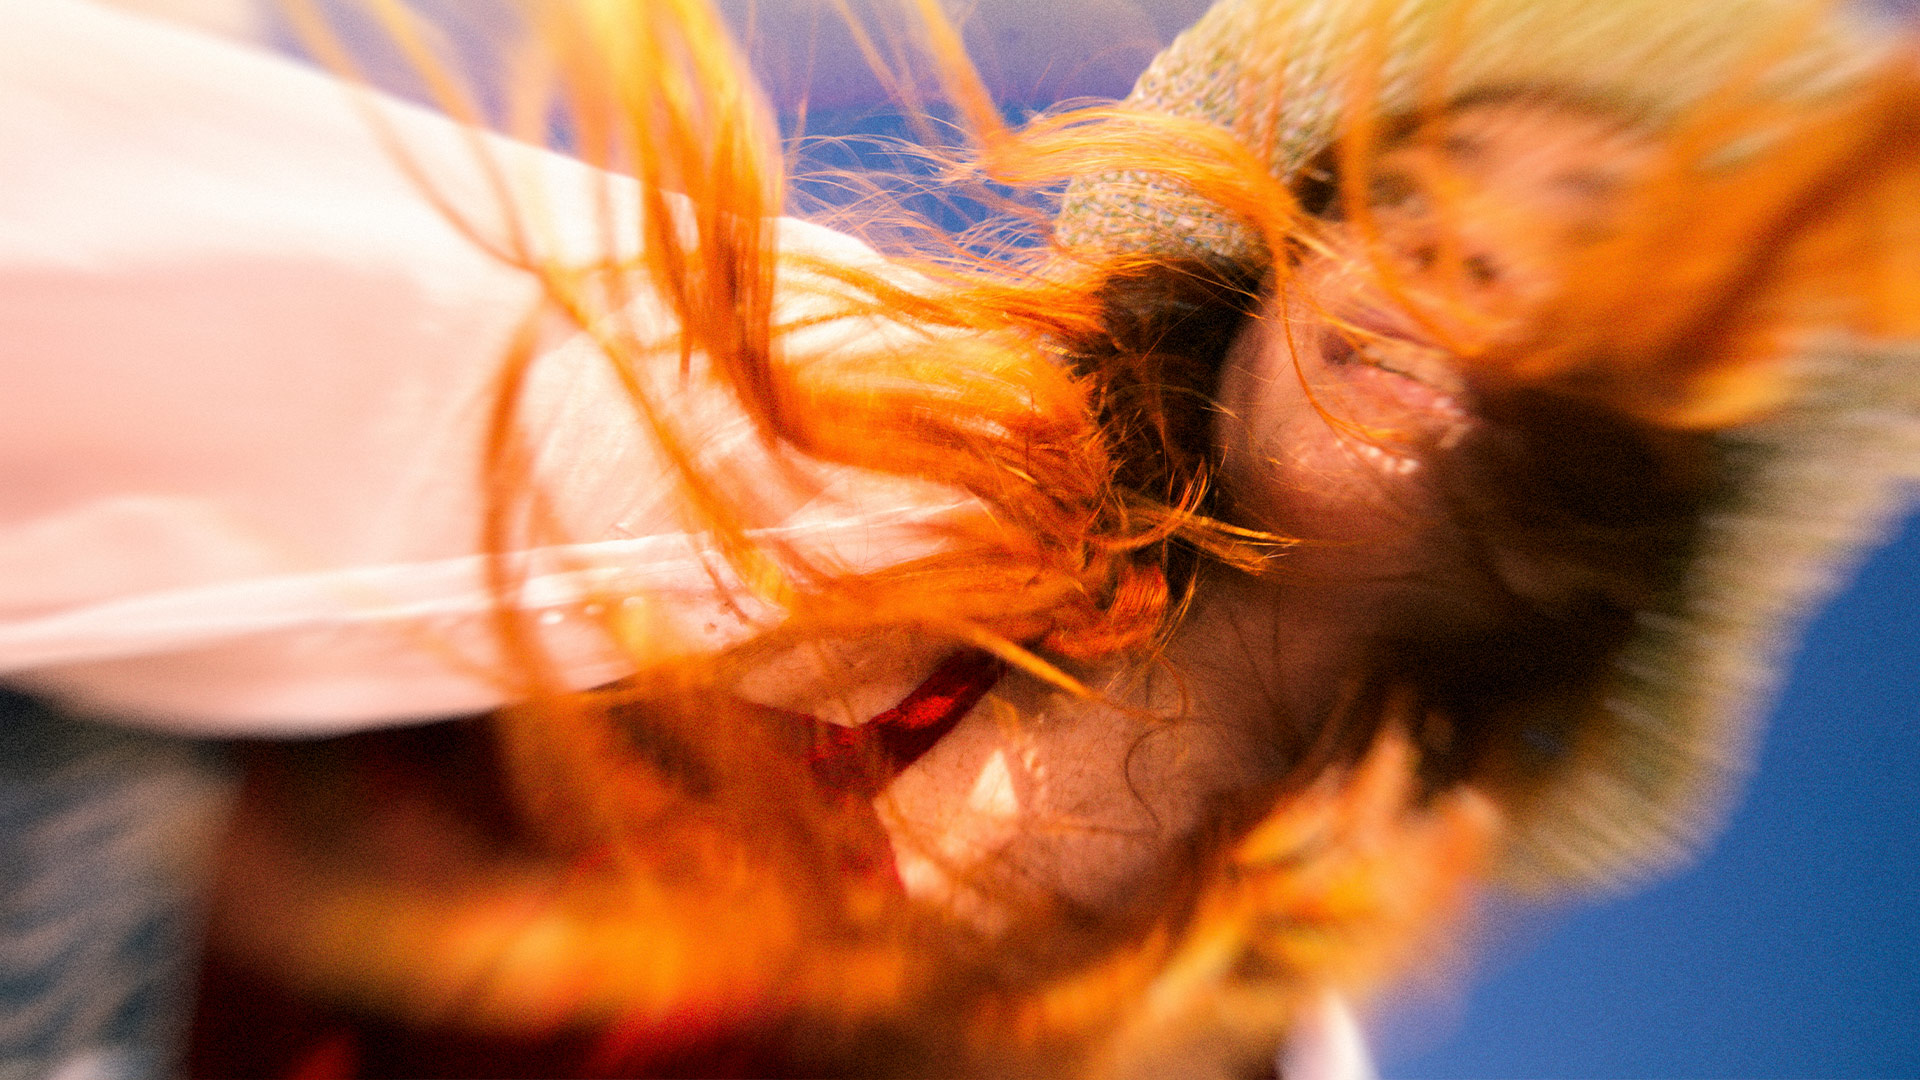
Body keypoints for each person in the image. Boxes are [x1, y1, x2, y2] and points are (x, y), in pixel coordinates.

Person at [3, 0, 1916, 1077]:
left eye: (1577, 255)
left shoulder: (1229, 1047)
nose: (1450, 260)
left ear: (1617, 514)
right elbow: (203, 287)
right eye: (1409, 191)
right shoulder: (829, 444)